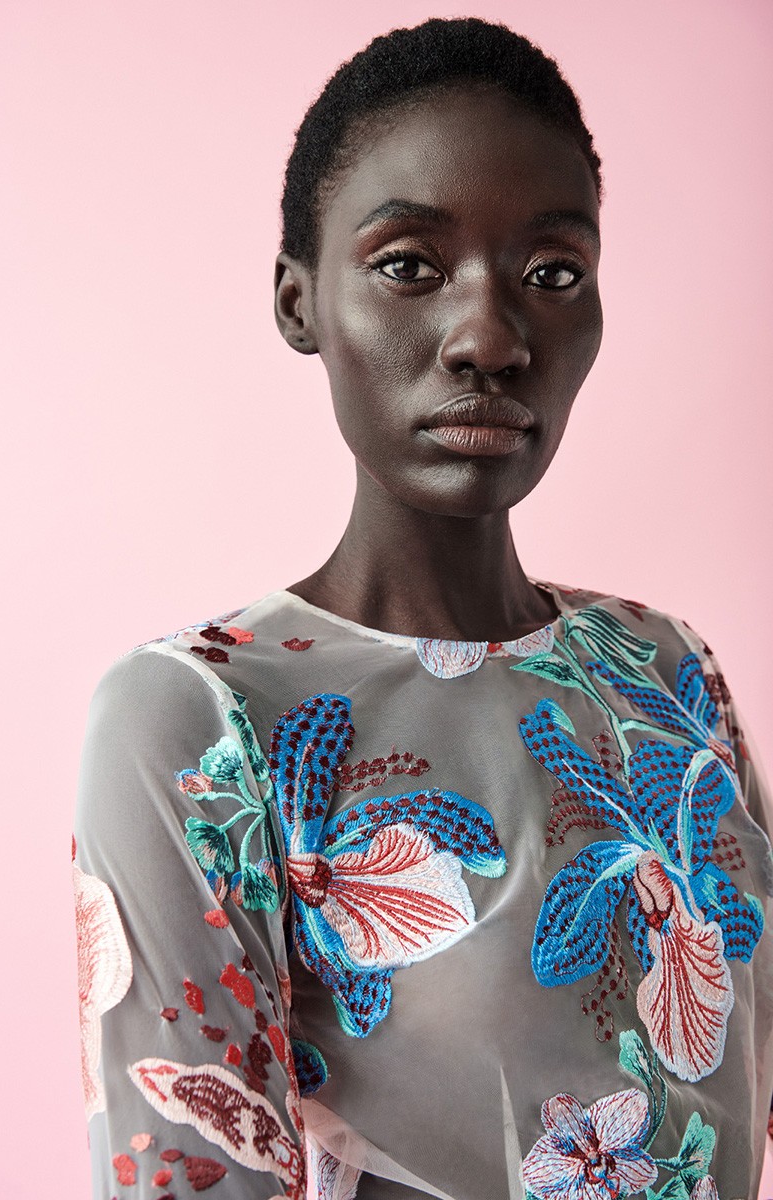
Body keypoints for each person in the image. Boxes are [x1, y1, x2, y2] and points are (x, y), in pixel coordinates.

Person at [73, 16, 773, 1200]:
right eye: (408, 264)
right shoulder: (197, 719)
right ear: (301, 304)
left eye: (550, 273)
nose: (488, 339)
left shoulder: (662, 670)